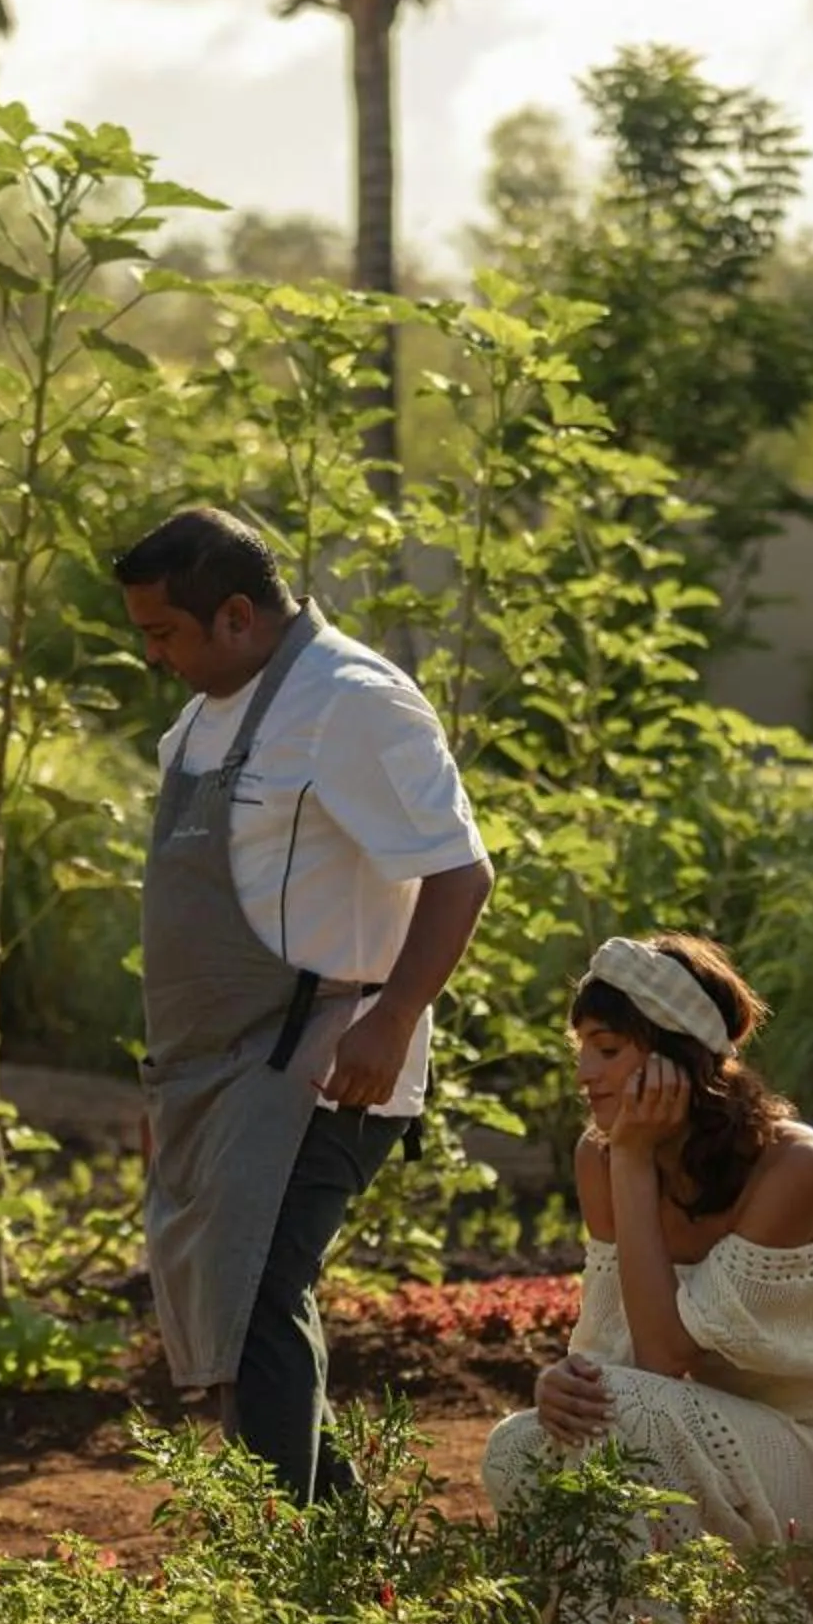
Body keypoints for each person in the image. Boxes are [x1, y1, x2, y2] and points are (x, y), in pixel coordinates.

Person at [115, 505, 493, 1501]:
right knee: (230, 1314)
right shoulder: (199, 722)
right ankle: (318, 1555)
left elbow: (458, 872)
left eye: (165, 634)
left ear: (235, 615)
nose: (156, 658)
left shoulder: (351, 701)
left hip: (322, 1065)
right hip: (212, 1072)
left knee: (259, 1297)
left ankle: (313, 1573)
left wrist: (394, 1017)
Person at [482, 933, 813, 1563]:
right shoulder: (598, 1158)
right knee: (516, 1447)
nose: (583, 1074)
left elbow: (659, 1360)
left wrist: (630, 1161)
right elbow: (609, 1357)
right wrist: (559, 1388)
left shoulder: (791, 1166)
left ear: (673, 1060)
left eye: (606, 1049)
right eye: (582, 1051)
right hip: (696, 1441)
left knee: (634, 1414)